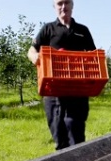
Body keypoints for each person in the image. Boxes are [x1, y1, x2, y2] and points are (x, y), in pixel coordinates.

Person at [28, 0, 96, 150]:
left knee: (76, 132)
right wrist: (35, 57)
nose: (63, 7)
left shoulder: (82, 30)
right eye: (59, 3)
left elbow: (92, 54)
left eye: (67, 3)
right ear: (54, 7)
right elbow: (32, 50)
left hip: (77, 89)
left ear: (72, 6)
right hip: (54, 90)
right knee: (58, 134)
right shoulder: (48, 29)